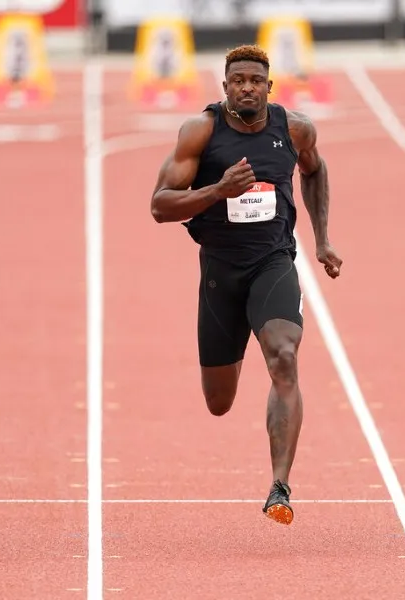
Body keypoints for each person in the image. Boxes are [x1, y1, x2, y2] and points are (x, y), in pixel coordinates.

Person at [149, 44, 342, 525]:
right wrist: (219, 190)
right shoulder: (201, 131)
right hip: (220, 270)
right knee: (219, 401)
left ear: (269, 87)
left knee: (284, 355)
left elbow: (315, 172)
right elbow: (159, 206)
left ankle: (280, 485)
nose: (247, 87)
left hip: (272, 261)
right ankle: (231, 366)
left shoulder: (294, 128)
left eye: (256, 80)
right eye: (238, 80)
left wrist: (321, 240)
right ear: (225, 87)